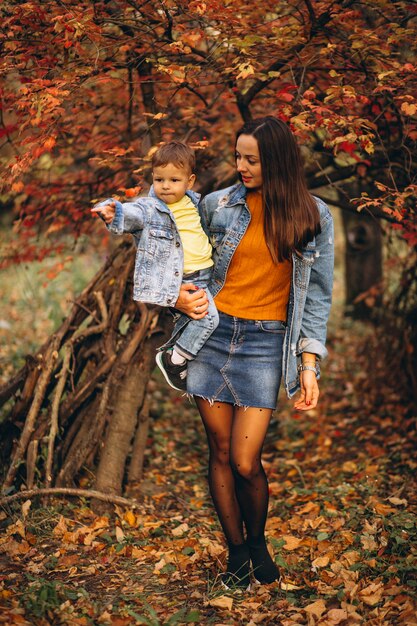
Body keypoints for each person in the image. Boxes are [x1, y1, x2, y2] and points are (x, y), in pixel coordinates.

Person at [174, 116, 334, 590]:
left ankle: (258, 542)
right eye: (238, 156)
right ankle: (237, 554)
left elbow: (319, 296)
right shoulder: (215, 205)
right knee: (220, 451)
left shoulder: (312, 216)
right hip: (211, 334)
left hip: (267, 342)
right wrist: (179, 295)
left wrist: (309, 364)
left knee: (246, 461)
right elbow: (181, 259)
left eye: (252, 159)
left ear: (278, 161)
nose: (240, 166)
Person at [91, 141, 218, 391]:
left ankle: (195, 365)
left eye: (174, 180)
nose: (166, 186)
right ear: (152, 178)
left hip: (208, 275)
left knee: (210, 323)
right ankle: (175, 359)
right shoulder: (151, 209)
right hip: (185, 281)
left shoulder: (194, 204)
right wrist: (114, 212)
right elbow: (132, 213)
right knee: (208, 320)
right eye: (159, 180)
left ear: (189, 181)